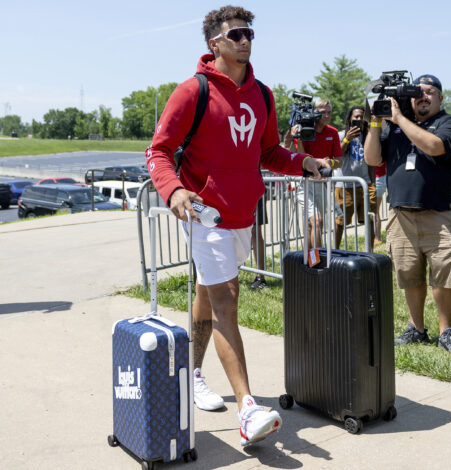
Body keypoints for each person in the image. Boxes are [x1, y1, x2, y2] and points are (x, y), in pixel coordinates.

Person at [145, 5, 330, 446]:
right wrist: (174, 191)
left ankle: (191, 374)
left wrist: (303, 162)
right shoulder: (193, 91)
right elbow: (158, 151)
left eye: (250, 34)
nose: (246, 40)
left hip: (243, 214)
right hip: (204, 213)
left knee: (208, 295)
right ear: (215, 43)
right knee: (226, 299)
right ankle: (248, 409)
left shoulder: (263, 94)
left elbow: (268, 153)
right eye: (237, 34)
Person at [364, 74, 451, 354]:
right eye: (417, 92)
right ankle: (416, 328)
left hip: (438, 214)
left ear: (440, 98)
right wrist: (375, 122)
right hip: (401, 216)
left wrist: (399, 119)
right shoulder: (395, 128)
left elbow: (434, 146)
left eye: (430, 92)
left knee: (444, 271)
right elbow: (372, 159)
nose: (423, 96)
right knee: (409, 272)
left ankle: (446, 331)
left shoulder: (450, 123)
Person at [286, 99, 342, 249]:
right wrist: (297, 138)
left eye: (329, 112)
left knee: (313, 225)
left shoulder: (333, 132)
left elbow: (339, 161)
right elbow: (299, 157)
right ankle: (319, 259)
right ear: (314, 113)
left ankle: (310, 259)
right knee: (317, 221)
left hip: (322, 183)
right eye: (323, 112)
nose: (326, 115)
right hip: (303, 182)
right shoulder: (304, 129)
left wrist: (328, 162)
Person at [334, 106, 373, 250]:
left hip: (364, 185)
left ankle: (370, 252)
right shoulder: (340, 135)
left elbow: (371, 162)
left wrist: (372, 182)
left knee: (369, 220)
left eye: (361, 117)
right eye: (356, 117)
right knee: (340, 222)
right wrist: (347, 139)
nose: (359, 119)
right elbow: (336, 155)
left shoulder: (368, 135)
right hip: (345, 186)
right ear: (350, 118)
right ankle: (335, 251)